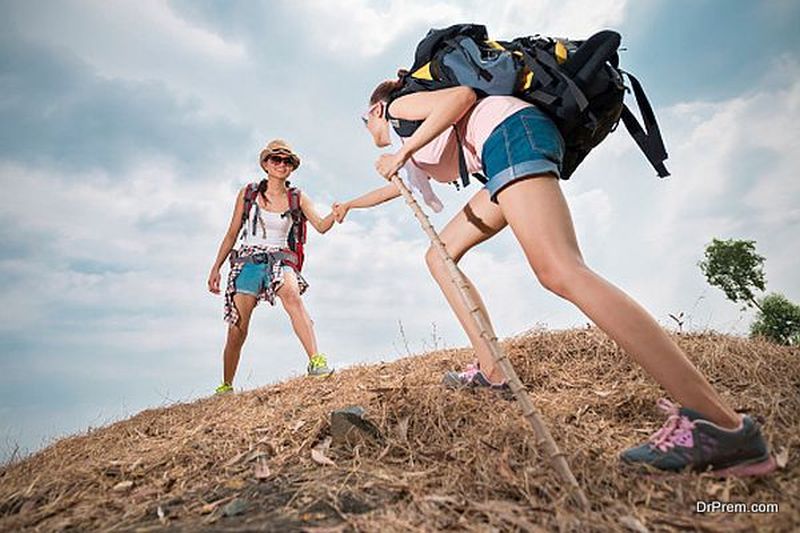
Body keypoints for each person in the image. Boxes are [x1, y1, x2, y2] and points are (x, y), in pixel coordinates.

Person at [331, 77, 776, 476]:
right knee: (439, 254)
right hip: (502, 148)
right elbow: (396, 185)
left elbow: (463, 97)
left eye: (363, 119)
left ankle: (721, 425)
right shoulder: (416, 141)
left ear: (375, 109)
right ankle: (493, 372)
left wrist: (402, 148)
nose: (369, 127)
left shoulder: (399, 107)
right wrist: (350, 204)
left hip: (510, 137)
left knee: (560, 270)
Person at [208, 139, 335, 393]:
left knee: (292, 296)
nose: (281, 164)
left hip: (280, 257)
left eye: (286, 161)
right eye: (275, 160)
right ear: (265, 164)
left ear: (291, 168)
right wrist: (216, 268)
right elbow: (232, 232)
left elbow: (321, 225)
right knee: (237, 328)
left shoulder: (297, 197)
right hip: (249, 258)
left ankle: (316, 362)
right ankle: (226, 385)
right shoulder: (248, 194)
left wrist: (337, 213)